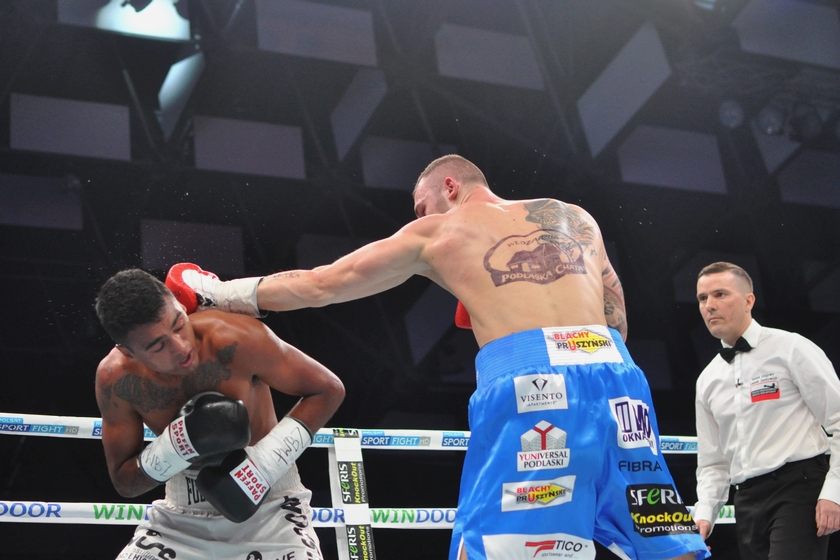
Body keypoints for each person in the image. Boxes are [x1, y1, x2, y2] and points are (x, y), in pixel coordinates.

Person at [166, 154, 709, 560]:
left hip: (532, 385)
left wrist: (215, 292)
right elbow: (615, 312)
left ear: (450, 187)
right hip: (620, 380)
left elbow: (323, 283)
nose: (418, 216)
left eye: (421, 206)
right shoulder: (572, 216)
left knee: (497, 541)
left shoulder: (439, 230)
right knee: (658, 530)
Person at [94, 268, 345, 560]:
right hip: (179, 519)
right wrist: (176, 446)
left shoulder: (235, 339)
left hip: (272, 506)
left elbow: (328, 390)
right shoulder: (117, 379)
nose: (180, 347)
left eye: (178, 324)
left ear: (180, 306)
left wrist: (263, 467)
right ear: (128, 352)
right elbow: (124, 482)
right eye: (158, 345)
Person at [693, 261, 840, 559]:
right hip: (746, 499)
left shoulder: (791, 348)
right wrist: (704, 514)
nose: (709, 305)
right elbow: (713, 461)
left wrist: (834, 492)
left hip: (799, 488)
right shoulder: (707, 379)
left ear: (749, 301)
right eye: (702, 298)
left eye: (720, 294)